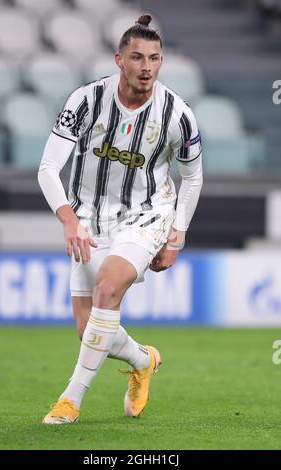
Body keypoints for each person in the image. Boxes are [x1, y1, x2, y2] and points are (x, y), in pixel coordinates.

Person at [38, 14, 203, 425]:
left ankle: (70, 400)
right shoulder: (86, 101)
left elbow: (192, 176)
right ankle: (143, 360)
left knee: (108, 287)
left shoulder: (177, 114)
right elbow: (47, 168)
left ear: (162, 62)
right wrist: (68, 220)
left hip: (146, 215)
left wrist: (176, 237)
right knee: (88, 329)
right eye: (137, 57)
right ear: (118, 60)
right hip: (88, 218)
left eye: (155, 58)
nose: (146, 67)